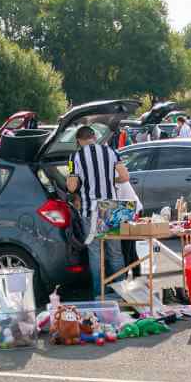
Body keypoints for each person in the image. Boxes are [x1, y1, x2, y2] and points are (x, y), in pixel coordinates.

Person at [65, 125, 128, 297]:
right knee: (115, 253)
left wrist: (75, 183)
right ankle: (123, 294)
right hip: (111, 208)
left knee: (95, 254)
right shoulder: (111, 152)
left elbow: (71, 187)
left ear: (79, 140)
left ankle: (99, 294)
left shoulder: (74, 157)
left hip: (91, 209)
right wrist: (110, 180)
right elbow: (125, 177)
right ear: (94, 137)